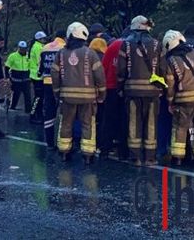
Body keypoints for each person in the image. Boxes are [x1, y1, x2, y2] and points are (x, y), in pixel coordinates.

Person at [51, 22, 107, 164]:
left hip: (67, 97)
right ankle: (88, 155)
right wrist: (101, 94)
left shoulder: (61, 53)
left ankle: (64, 152)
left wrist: (57, 93)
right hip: (88, 98)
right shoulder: (91, 53)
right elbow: (99, 75)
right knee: (88, 124)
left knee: (66, 124)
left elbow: (55, 74)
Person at [117, 16, 166, 166]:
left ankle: (135, 157)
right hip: (152, 92)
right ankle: (150, 157)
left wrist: (121, 87)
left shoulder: (126, 45)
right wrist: (161, 86)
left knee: (133, 124)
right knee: (151, 123)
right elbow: (163, 68)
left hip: (132, 92)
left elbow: (121, 70)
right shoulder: (158, 44)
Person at [163, 30, 194, 166]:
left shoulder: (171, 60)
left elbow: (170, 84)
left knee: (180, 128)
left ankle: (178, 158)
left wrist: (170, 101)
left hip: (182, 100)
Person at [99, 28, 131, 160]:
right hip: (127, 88)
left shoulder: (112, 46)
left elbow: (103, 67)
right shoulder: (133, 46)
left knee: (108, 119)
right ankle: (124, 151)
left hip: (110, 87)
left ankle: (105, 149)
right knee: (125, 119)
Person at [39, 30, 66, 149]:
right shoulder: (65, 48)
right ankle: (64, 142)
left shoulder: (45, 48)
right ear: (65, 37)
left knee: (49, 112)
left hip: (46, 83)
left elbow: (40, 67)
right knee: (65, 112)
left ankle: (49, 142)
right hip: (61, 84)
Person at [5, 41, 32, 113]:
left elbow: (31, 67)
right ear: (18, 48)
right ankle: (12, 108)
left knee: (28, 96)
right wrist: (7, 77)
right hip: (16, 79)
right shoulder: (12, 56)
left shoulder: (28, 56)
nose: (23, 50)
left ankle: (28, 111)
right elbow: (7, 67)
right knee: (16, 95)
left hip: (26, 79)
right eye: (21, 48)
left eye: (24, 48)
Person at [29, 31, 48, 124]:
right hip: (37, 75)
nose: (44, 40)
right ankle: (33, 115)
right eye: (43, 38)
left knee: (39, 97)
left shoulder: (37, 46)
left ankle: (38, 114)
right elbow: (40, 61)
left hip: (36, 75)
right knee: (38, 97)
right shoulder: (38, 47)